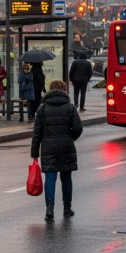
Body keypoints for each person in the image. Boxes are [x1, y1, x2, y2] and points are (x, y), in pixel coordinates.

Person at [30, 80, 83, 220]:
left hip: (48, 147)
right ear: (64, 90)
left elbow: (37, 134)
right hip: (67, 146)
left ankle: (49, 209)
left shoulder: (42, 109)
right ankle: (67, 208)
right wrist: (70, 137)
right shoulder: (70, 107)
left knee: (50, 177)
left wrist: (34, 153)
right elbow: (78, 128)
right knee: (66, 178)